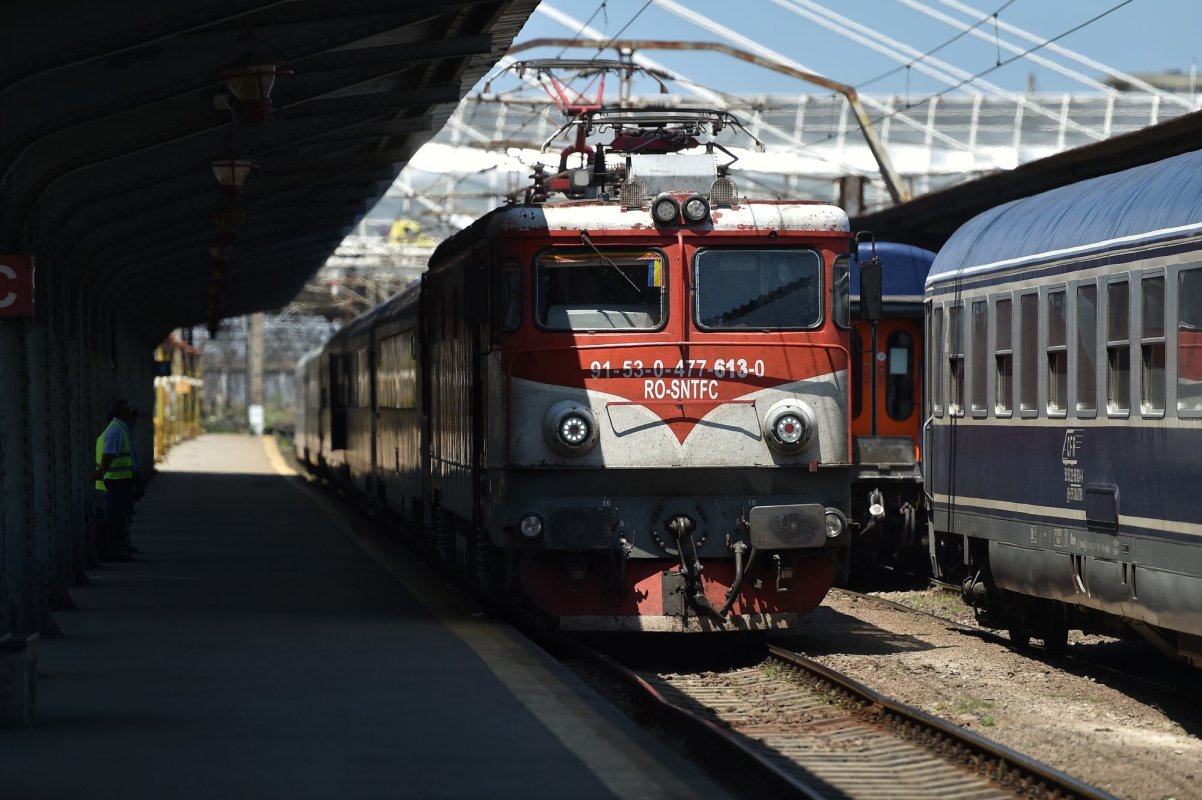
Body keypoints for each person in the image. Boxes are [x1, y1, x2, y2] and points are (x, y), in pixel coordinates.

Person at [92, 399, 140, 561]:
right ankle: (113, 551)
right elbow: (109, 454)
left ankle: (119, 548)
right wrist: (100, 472)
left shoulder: (121, 429)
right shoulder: (116, 431)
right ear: (122, 413)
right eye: (129, 410)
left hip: (121, 480)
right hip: (115, 482)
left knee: (119, 516)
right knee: (114, 518)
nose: (132, 413)